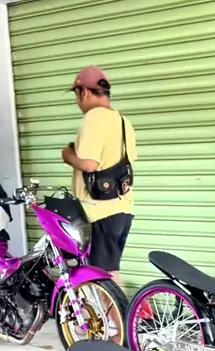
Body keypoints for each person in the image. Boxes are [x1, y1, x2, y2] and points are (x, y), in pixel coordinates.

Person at [61, 66, 137, 284]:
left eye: (77, 95)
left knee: (102, 282)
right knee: (108, 275)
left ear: (84, 92)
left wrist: (67, 155)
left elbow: (89, 165)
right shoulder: (123, 121)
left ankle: (119, 308)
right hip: (123, 210)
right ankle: (118, 307)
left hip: (98, 212)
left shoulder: (94, 117)